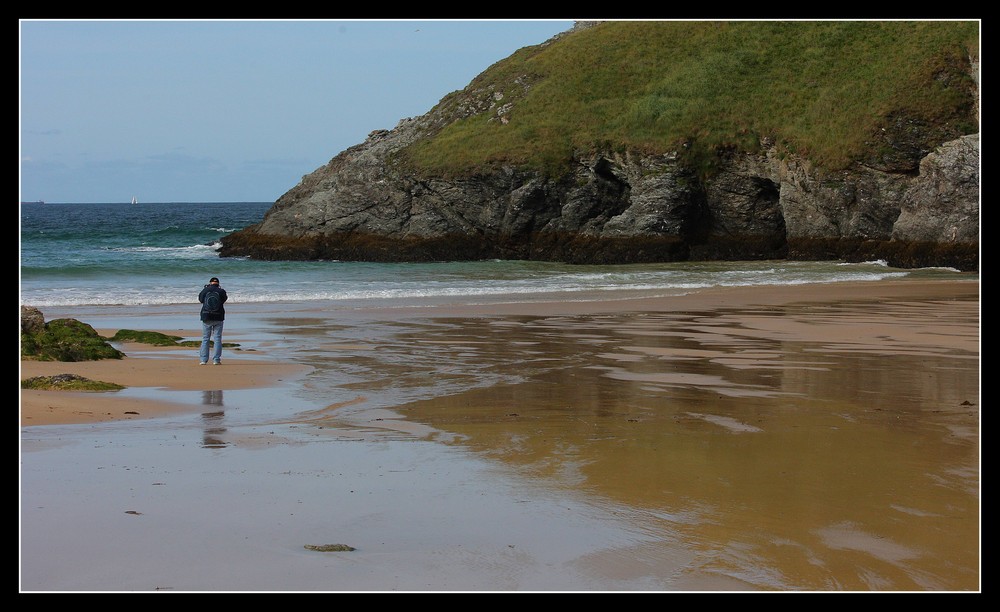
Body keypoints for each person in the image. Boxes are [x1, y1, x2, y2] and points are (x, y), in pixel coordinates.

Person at [198, 276, 228, 365]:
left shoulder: (205, 290)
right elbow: (224, 300)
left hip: (206, 316)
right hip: (218, 316)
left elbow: (200, 300)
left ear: (210, 283)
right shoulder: (221, 291)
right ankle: (216, 360)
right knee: (217, 338)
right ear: (218, 283)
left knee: (205, 338)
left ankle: (203, 360)